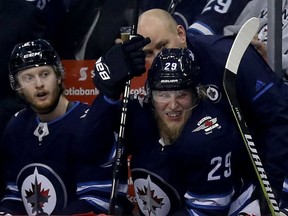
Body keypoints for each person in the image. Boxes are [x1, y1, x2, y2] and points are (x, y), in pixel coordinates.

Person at [93, 8, 288, 214]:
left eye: (163, 46)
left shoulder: (228, 57)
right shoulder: (150, 76)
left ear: (181, 34)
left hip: (258, 176)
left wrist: (273, 191)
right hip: (205, 186)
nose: (160, 58)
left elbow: (281, 118)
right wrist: (108, 91)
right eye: (149, 53)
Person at [0, 39, 133, 215]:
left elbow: (98, 200)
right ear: (17, 87)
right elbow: (15, 195)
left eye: (45, 74)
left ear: (60, 76)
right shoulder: (17, 127)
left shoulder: (92, 125)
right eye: (28, 77)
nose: (39, 84)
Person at [223, 0, 288, 77]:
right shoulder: (262, 2)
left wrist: (272, 57)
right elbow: (233, 30)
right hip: (239, 61)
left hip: (274, 79)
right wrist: (242, 37)